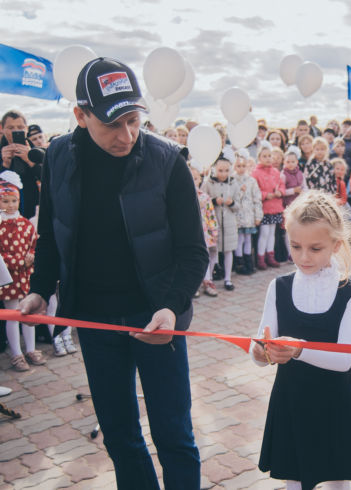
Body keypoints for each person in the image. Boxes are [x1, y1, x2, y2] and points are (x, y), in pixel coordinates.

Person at [20, 57, 207, 489]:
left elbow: (193, 252)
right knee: (121, 436)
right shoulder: (59, 158)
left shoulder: (166, 160)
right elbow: (50, 233)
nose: (127, 135)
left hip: (156, 318)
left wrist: (171, 307)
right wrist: (39, 289)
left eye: (133, 120)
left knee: (173, 434)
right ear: (80, 116)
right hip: (94, 318)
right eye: (112, 125)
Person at [252, 190, 351, 489]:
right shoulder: (278, 287)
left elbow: (343, 360)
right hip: (291, 399)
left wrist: (297, 350)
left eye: (315, 248)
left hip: (334, 401)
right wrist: (263, 352)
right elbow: (258, 348)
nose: (303, 257)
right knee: (293, 480)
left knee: (336, 479)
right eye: (295, 246)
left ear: (336, 244)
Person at [0, 178, 42, 371]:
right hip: (8, 277)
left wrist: (31, 256)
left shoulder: (25, 224)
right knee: (12, 314)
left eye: (13, 201)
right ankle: (16, 353)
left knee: (28, 312)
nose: (10, 205)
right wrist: (17, 261)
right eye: (5, 201)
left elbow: (34, 243)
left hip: (26, 274)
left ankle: (31, 349)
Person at [202, 157, 241, 290]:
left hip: (229, 222)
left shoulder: (234, 184)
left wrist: (232, 203)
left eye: (226, 170)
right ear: (214, 169)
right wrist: (213, 201)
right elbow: (202, 198)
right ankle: (210, 278)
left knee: (228, 250)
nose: (223, 174)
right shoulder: (209, 183)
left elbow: (238, 205)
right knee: (213, 250)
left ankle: (228, 278)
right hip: (213, 222)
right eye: (220, 170)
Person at [0, 110, 41, 219]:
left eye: (20, 127)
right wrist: (5, 164)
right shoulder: (2, 152)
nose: (15, 131)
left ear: (26, 129)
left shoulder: (37, 152)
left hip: (32, 210)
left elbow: (47, 177)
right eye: (10, 128)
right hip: (5, 214)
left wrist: (30, 160)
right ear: (2, 129)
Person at [254, 142, 285, 269]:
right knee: (264, 233)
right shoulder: (255, 173)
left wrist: (280, 192)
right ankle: (260, 257)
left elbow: (282, 185)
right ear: (259, 158)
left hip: (275, 206)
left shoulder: (276, 172)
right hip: (264, 208)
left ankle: (270, 255)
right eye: (264, 156)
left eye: (269, 156)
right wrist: (265, 195)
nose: (267, 158)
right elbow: (255, 190)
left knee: (272, 232)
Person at [190, 166, 219, 297]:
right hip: (190, 234)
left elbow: (211, 215)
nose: (192, 181)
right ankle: (193, 284)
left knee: (205, 256)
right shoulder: (181, 197)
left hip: (204, 233)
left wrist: (214, 231)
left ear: (200, 179)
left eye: (195, 178)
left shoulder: (204, 197)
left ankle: (207, 280)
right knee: (191, 259)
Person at [233, 153, 263, 275]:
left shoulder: (251, 181)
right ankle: (240, 264)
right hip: (237, 217)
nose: (241, 168)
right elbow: (233, 198)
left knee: (248, 239)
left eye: (243, 166)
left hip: (249, 216)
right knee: (239, 240)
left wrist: (258, 215)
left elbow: (257, 198)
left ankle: (248, 262)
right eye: (238, 166)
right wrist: (240, 191)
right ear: (234, 167)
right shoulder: (232, 180)